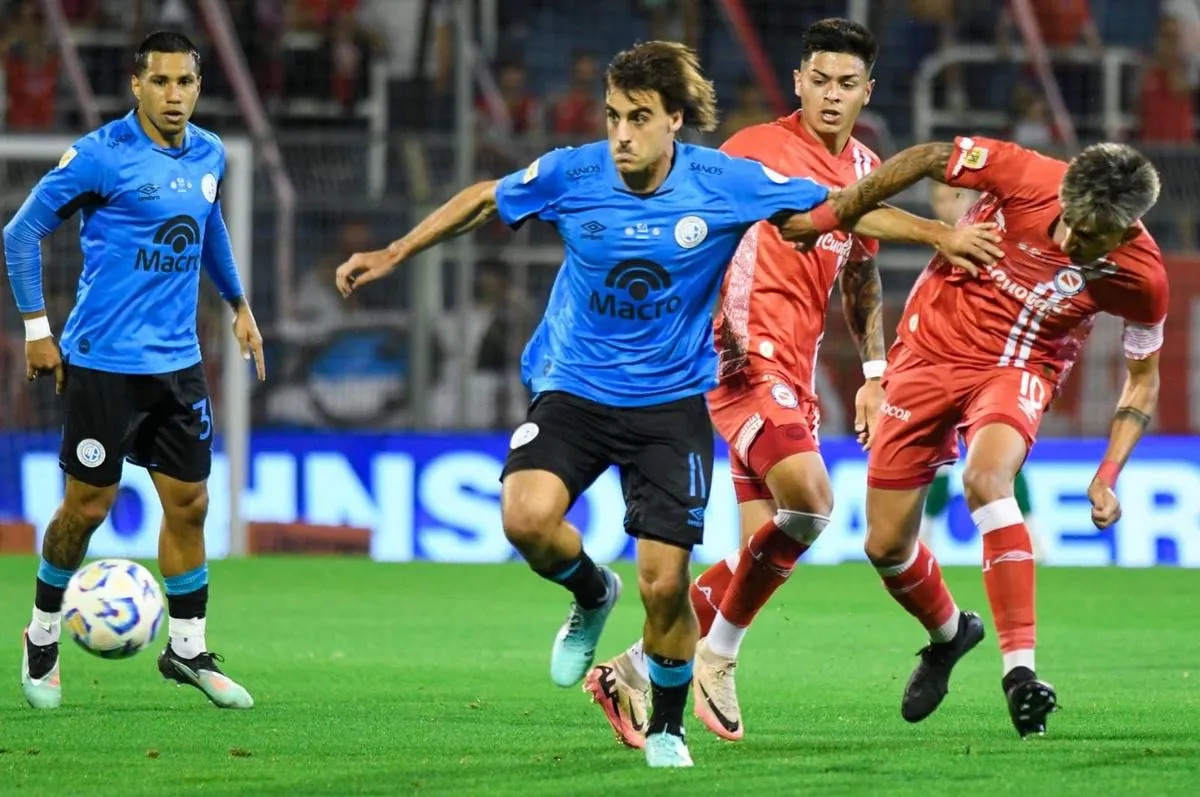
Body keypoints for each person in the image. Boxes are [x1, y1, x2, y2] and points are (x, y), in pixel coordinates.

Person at [334, 41, 999, 766]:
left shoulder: (741, 179)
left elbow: (837, 219)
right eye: (614, 116)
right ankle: (619, 610)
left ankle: (679, 699)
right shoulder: (597, 167)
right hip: (624, 380)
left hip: (676, 400)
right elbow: (486, 197)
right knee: (539, 518)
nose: (621, 133)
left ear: (672, 120)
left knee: (698, 571)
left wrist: (924, 258)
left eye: (637, 118)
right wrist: (394, 253)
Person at [584, 17, 1005, 749]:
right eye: (819, 80)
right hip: (740, 358)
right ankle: (711, 660)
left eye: (847, 84)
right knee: (812, 499)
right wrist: (941, 233)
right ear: (797, 81)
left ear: (867, 90)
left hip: (793, 372)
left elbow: (862, 268)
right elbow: (816, 215)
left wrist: (875, 373)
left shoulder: (868, 163)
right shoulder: (757, 150)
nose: (832, 96)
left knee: (762, 552)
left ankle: (635, 669)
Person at [810, 136, 1167, 736]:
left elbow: (1142, 382)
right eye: (1071, 225)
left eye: (1092, 240)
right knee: (885, 547)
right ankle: (950, 636)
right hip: (926, 353)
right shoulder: (1025, 173)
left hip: (1020, 366)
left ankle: (1021, 675)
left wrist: (1108, 473)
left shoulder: (1143, 278)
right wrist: (840, 209)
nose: (1072, 244)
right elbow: (928, 158)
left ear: (1128, 228)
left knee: (986, 477)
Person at [3, 31, 265, 711]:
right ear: (136, 84)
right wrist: (37, 329)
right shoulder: (100, 157)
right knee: (87, 506)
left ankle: (186, 650)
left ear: (198, 88)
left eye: (185, 83)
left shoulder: (209, 153)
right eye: (161, 82)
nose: (174, 95)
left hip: (177, 366)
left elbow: (207, 227)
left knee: (192, 503)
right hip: (101, 364)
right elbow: (20, 233)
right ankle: (41, 632)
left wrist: (238, 302)